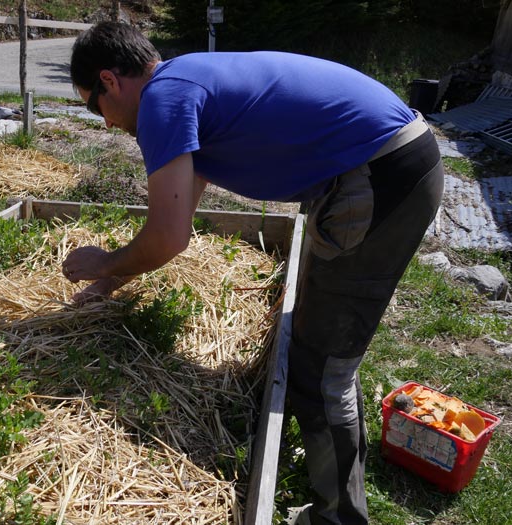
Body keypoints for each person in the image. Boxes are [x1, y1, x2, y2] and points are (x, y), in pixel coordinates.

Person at [62, 21, 444, 525]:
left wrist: (105, 261)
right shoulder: (183, 81)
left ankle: (340, 520)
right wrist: (113, 281)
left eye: (95, 106)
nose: (106, 124)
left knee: (321, 368)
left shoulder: (162, 100)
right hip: (382, 164)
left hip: (378, 172)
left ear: (111, 80)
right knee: (317, 345)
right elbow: (182, 208)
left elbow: (167, 237)